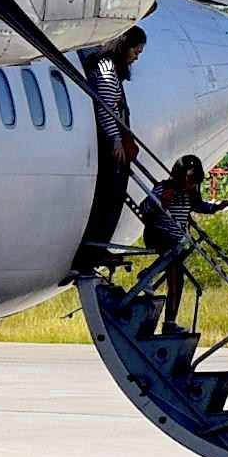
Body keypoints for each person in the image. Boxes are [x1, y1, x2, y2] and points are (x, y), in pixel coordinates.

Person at [70, 25, 148, 273]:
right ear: (123, 46)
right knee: (110, 195)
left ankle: (98, 246)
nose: (135, 57)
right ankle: (94, 248)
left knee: (112, 195)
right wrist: (115, 139)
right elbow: (105, 108)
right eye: (135, 51)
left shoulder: (110, 68)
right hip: (109, 142)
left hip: (113, 140)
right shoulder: (106, 70)